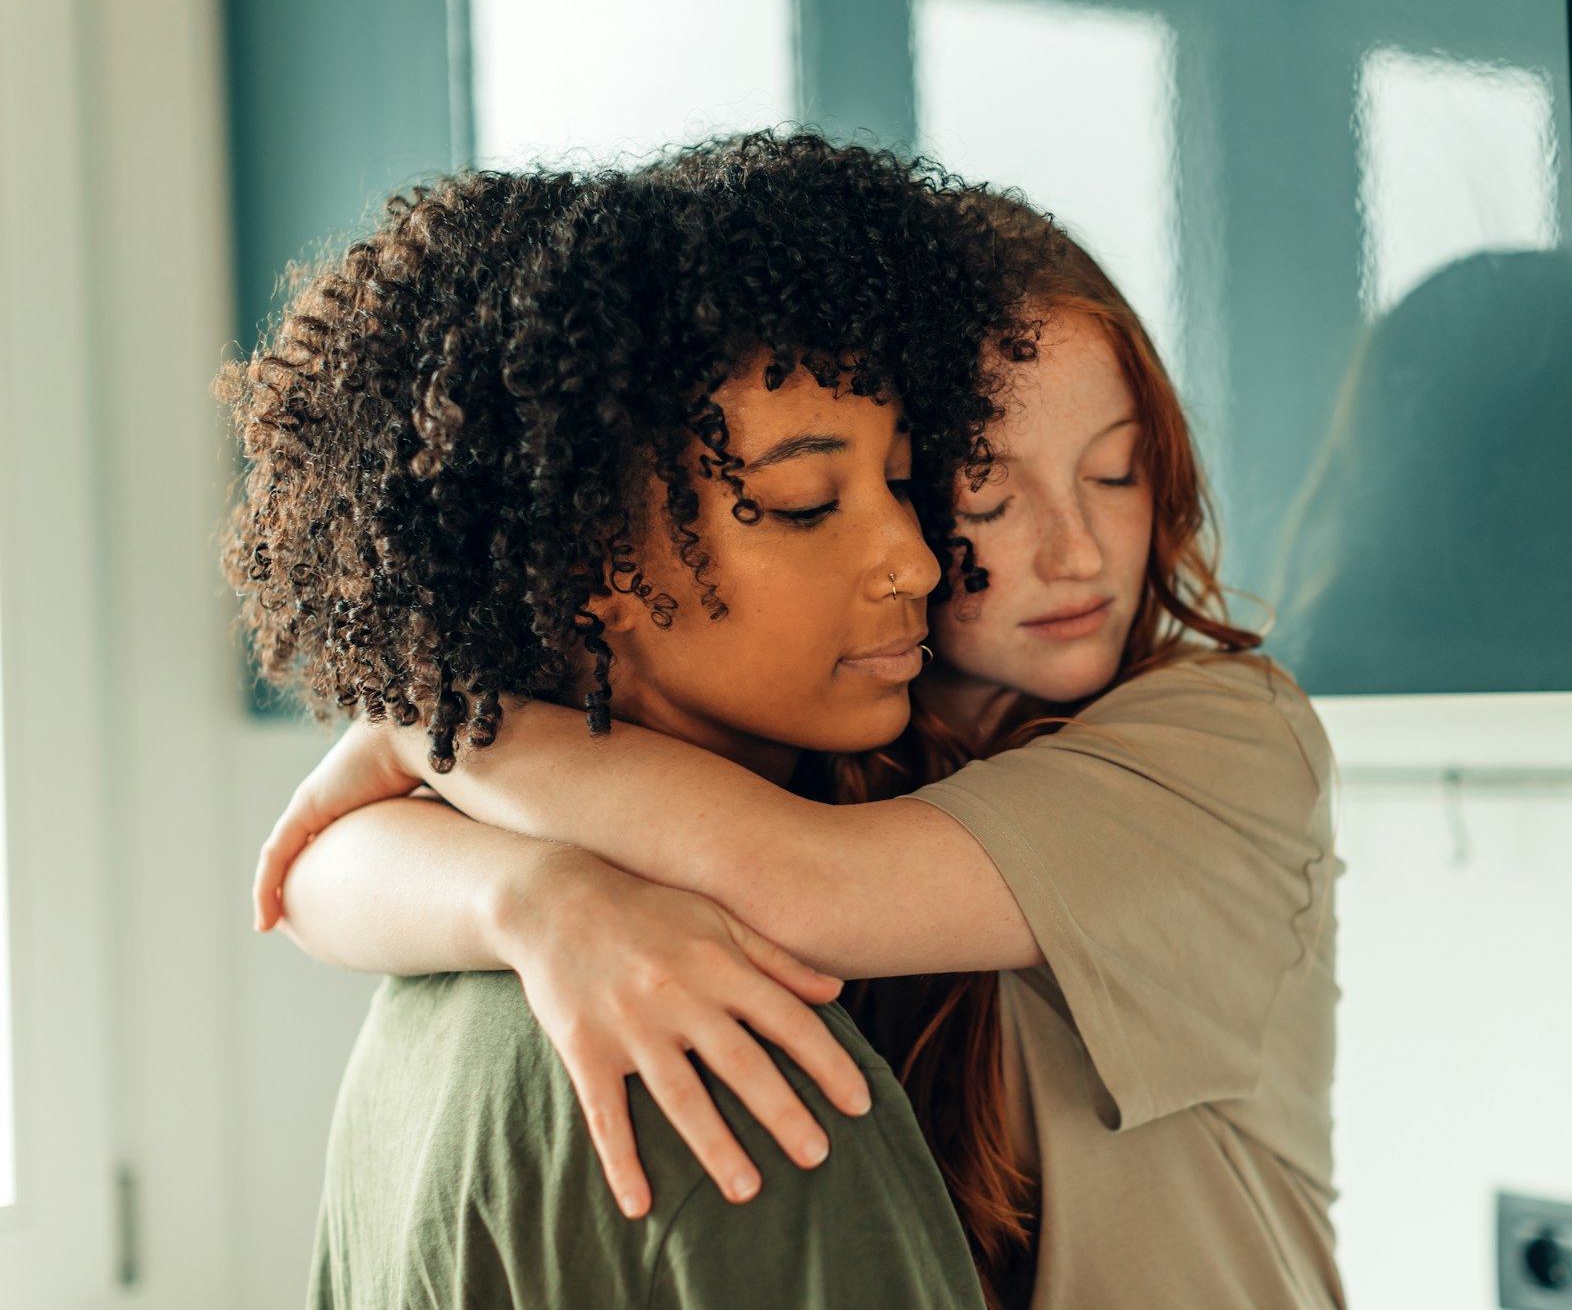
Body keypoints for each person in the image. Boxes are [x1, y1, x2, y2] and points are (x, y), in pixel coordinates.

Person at [261, 197, 1347, 1309]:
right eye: (984, 495)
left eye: (1116, 474)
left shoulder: (1228, 744)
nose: (1075, 551)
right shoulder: (815, 748)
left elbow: (807, 881)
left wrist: (446, 728)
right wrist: (535, 899)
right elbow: (303, 881)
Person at [221, 131, 1042, 1308]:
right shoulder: (730, 1078)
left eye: (902, 482)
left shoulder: (428, 1008)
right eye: (804, 503)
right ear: (583, 560)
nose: (912, 560)